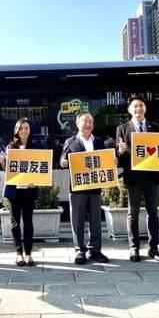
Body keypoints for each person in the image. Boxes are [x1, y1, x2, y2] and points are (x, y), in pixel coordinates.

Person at [116, 96, 159, 262]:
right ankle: (134, 248)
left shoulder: (155, 127)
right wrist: (121, 151)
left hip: (152, 176)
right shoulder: (122, 128)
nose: (138, 109)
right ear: (129, 110)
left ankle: (154, 248)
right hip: (134, 177)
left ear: (145, 109)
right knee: (133, 213)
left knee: (153, 212)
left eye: (141, 106)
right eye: (135, 107)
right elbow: (119, 156)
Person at [60, 111, 109, 265]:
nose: (88, 124)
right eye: (85, 121)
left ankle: (95, 249)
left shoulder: (100, 141)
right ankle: (79, 250)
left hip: (95, 186)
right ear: (77, 123)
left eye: (91, 121)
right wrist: (63, 162)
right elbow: (62, 160)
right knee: (77, 219)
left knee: (95, 219)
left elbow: (106, 161)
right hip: (78, 187)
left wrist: (113, 161)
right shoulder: (71, 141)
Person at [0, 118, 39, 267]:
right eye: (21, 128)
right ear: (16, 130)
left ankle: (28, 253)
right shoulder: (9, 147)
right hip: (14, 190)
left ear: (30, 130)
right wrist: (3, 162)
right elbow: (7, 170)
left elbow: (41, 169)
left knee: (28, 222)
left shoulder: (35, 147)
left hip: (29, 190)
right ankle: (18, 253)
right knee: (15, 223)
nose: (24, 131)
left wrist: (35, 181)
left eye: (26, 128)